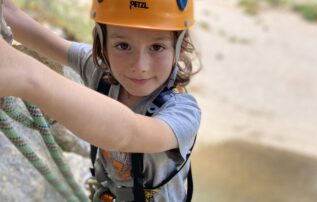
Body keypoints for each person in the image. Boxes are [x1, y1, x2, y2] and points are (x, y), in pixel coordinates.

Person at [0, 0, 201, 201]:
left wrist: (25, 76)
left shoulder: (183, 112)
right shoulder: (102, 74)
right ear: (102, 45)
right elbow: (21, 24)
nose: (140, 66)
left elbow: (128, 134)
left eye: (157, 47)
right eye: (123, 45)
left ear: (179, 48)